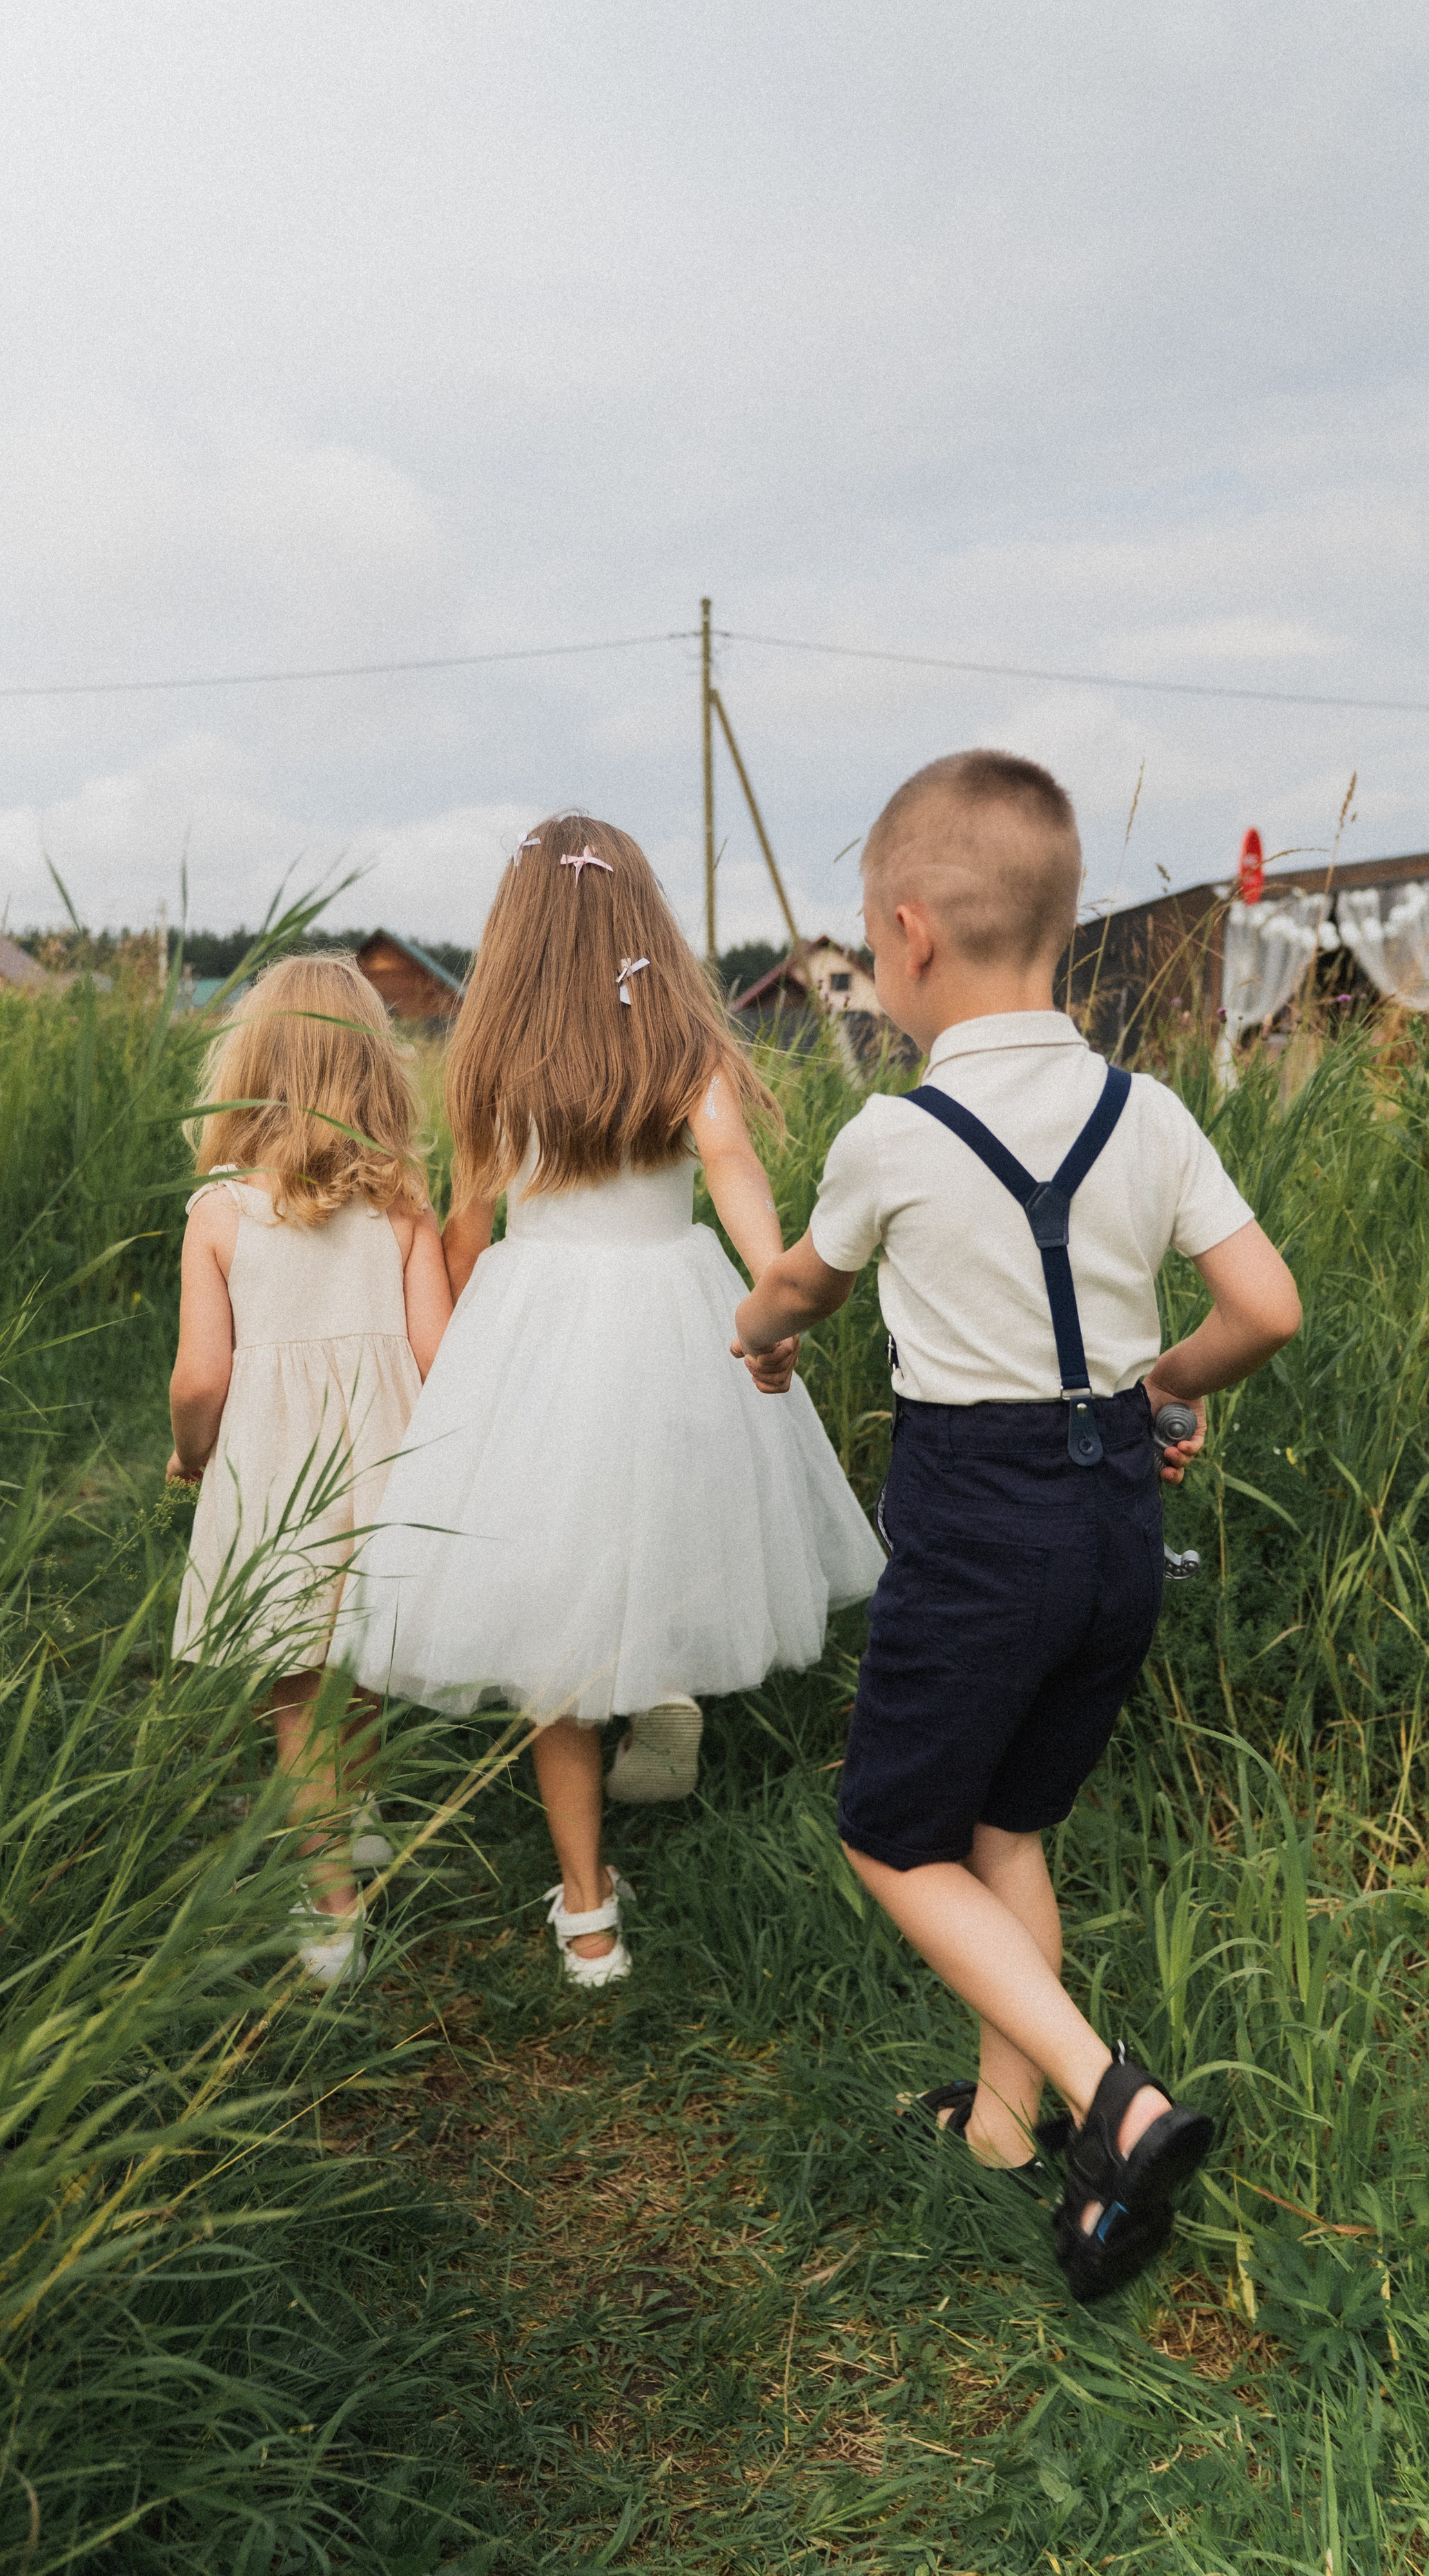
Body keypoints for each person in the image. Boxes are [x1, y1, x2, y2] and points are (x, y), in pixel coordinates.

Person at [731, 750, 1301, 2301]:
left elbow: (799, 1282)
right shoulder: (1148, 1110)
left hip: (977, 1533)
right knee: (1006, 1829)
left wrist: (758, 1329)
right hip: (1116, 1533)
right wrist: (1162, 1392)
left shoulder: (892, 1137)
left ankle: (1104, 2096)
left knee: (889, 1834)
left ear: (906, 936)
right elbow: (1264, 1306)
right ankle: (1001, 2127)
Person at [327, 813, 884, 1985]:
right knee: (663, 1510)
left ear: (516, 933)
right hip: (674, 1309)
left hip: (540, 1319)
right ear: (642, 918)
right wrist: (772, 1297)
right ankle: (662, 1693)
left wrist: (466, 1366)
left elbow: (469, 1236)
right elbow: (732, 1167)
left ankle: (588, 1913)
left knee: (558, 1599)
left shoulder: (493, 1060)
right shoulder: (685, 1047)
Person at [168, 952, 451, 1984]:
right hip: (384, 1469)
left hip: (276, 1478)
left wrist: (190, 1454)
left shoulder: (221, 1214)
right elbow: (436, 1358)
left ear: (251, 1067)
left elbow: (202, 1377)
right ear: (378, 1072)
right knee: (360, 1663)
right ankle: (359, 1816)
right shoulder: (404, 1210)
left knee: (295, 1689)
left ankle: (330, 1912)